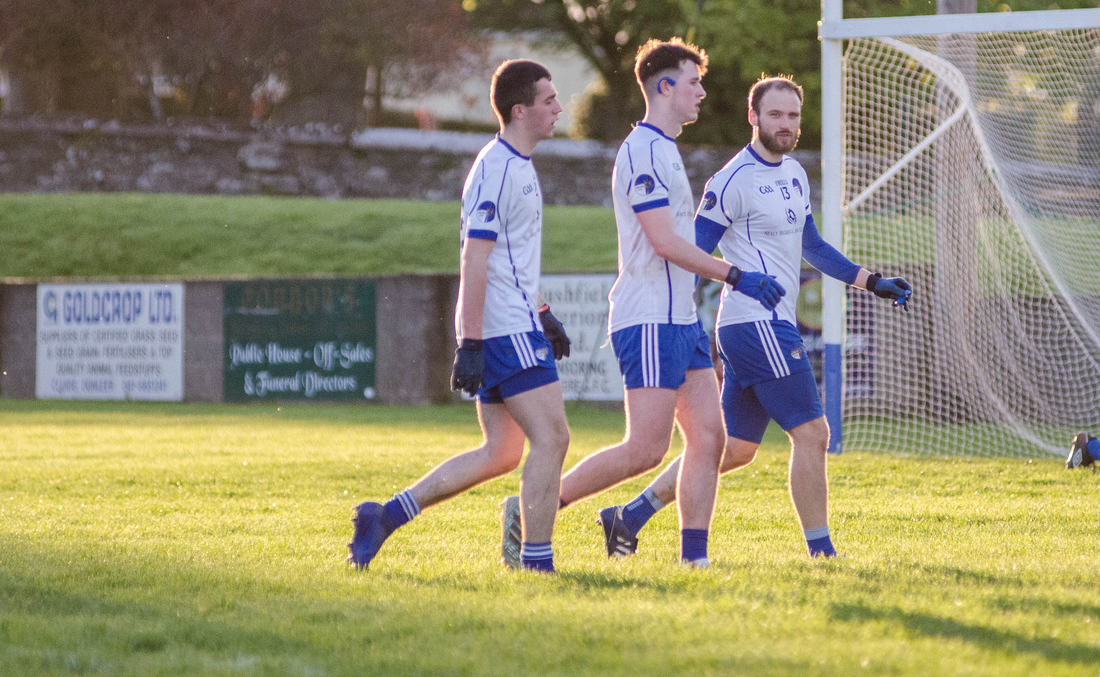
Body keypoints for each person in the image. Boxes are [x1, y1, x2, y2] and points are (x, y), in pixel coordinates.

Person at [602, 75, 913, 559]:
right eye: (775, 115)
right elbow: (692, 252)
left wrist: (870, 281)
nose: (785, 124)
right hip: (754, 323)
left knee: (735, 450)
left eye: (793, 115)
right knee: (813, 432)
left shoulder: (794, 174)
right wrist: (681, 320)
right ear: (753, 117)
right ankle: (823, 554)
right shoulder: (730, 182)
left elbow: (813, 247)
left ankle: (630, 515)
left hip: (764, 325)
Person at [511, 38, 783, 569]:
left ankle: (694, 562)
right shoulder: (641, 151)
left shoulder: (665, 148)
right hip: (649, 317)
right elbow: (662, 241)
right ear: (665, 87)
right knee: (645, 450)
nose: (702, 92)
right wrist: (737, 275)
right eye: (693, 82)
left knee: (710, 437)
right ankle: (531, 509)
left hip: (679, 319)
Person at [348, 59, 573, 573]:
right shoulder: (496, 168)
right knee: (554, 439)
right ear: (520, 111)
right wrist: (470, 343)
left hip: (513, 322)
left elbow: (510, 260)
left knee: (501, 452)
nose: (559, 108)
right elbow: (475, 258)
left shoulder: (516, 163)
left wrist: (542, 311)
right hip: (503, 331)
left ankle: (384, 517)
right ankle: (536, 562)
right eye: (548, 100)